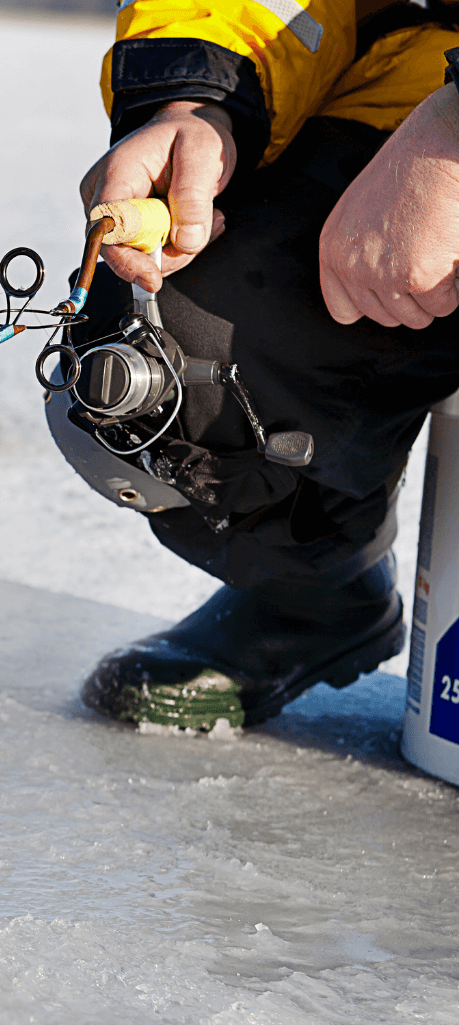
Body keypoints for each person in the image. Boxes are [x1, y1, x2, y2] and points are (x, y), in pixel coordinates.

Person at [55, 0, 459, 731]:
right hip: (420, 82)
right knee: (167, 348)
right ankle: (314, 595)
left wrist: (455, 145)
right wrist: (199, 102)